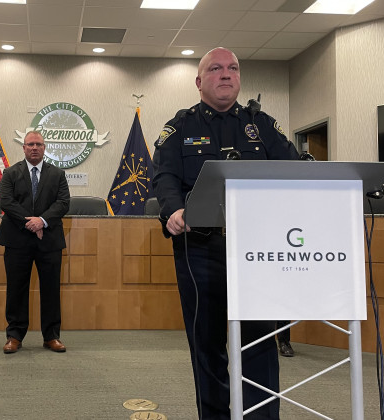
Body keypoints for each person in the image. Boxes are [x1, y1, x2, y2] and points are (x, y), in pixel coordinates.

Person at [152, 47, 300, 419]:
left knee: (260, 343)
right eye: (216, 69)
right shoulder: (180, 127)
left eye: (232, 68)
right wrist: (172, 210)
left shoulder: (260, 124)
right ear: (200, 81)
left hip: (257, 249)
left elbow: (294, 171)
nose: (226, 74)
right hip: (200, 250)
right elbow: (164, 177)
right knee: (207, 345)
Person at [0, 131, 70, 354]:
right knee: (17, 289)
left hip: (49, 241)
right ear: (24, 148)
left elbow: (63, 202)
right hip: (17, 240)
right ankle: (14, 335)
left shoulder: (57, 174)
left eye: (38, 144)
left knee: (50, 290)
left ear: (44, 147)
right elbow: (6, 201)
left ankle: (51, 336)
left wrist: (43, 221)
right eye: (30, 144)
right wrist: (31, 222)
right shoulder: (10, 172)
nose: (34, 148)